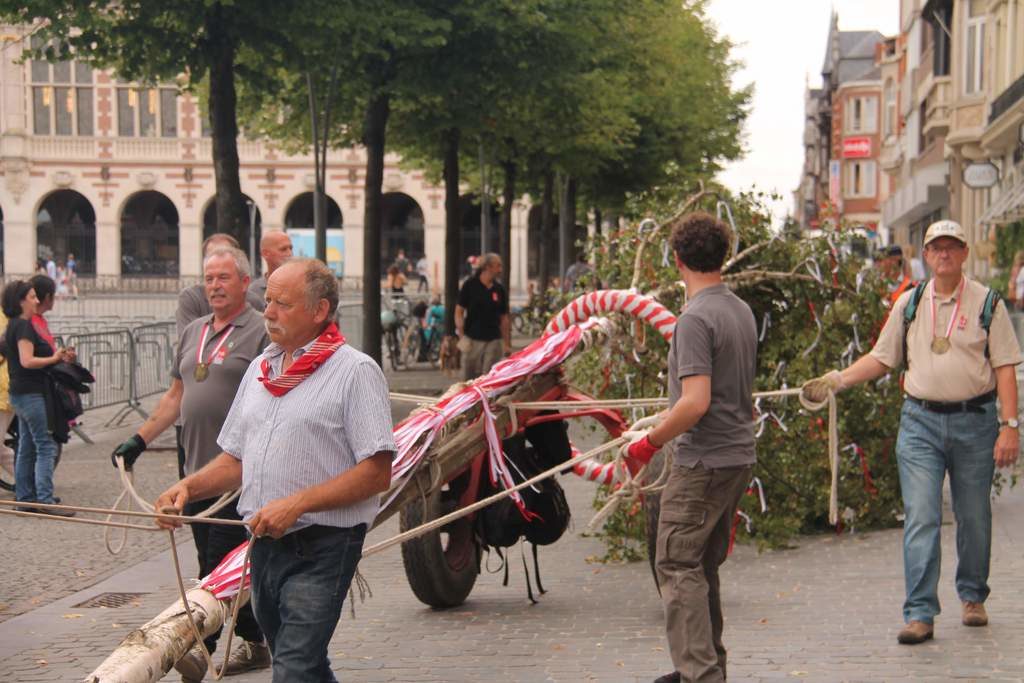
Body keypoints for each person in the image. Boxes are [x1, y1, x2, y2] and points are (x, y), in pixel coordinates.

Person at [154, 258, 395, 682]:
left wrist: (297, 504)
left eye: (282, 303)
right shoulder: (260, 370)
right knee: (303, 663)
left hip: (324, 545)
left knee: (295, 668)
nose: (267, 313)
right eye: (267, 301)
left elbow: (376, 473)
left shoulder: (356, 371)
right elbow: (236, 459)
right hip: (264, 543)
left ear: (319, 311)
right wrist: (187, 488)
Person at [802, 219, 1021, 645]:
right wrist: (838, 380)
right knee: (921, 516)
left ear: (964, 254)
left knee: (974, 515)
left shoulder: (987, 303)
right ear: (926, 254)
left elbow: (1006, 368)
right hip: (920, 421)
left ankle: (973, 597)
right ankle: (920, 612)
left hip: (975, 421)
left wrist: (1009, 427)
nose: (944, 255)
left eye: (951, 247)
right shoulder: (909, 303)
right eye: (936, 248)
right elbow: (882, 358)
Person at [112, 247, 271, 679]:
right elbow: (175, 397)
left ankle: (200, 648)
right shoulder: (193, 331)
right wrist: (138, 440)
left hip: (239, 475)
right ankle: (259, 643)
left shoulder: (261, 331)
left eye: (223, 277)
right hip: (196, 472)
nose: (215, 286)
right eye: (209, 278)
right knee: (220, 565)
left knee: (213, 568)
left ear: (244, 282)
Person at [622, 212, 757, 683]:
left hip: (703, 461)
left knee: (676, 563)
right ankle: (705, 665)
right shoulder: (739, 310)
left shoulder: (695, 319)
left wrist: (649, 442)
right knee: (700, 563)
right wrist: (668, 415)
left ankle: (701, 676)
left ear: (677, 260)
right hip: (737, 455)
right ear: (722, 257)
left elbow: (696, 403)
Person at [1, 280, 73, 517]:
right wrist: (54, 359)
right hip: (30, 392)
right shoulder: (23, 326)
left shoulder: (12, 325)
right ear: (21, 301)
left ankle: (25, 497)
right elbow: (27, 360)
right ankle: (44, 498)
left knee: (27, 447)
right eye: (32, 297)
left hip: (19, 393)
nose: (36, 300)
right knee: (44, 445)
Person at [455, 253, 511, 380]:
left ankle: (487, 399)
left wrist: (507, 343)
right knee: (468, 376)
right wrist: (461, 335)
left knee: (489, 377)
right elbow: (459, 311)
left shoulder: (499, 289)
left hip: (494, 339)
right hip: (473, 338)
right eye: (498, 266)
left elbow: (504, 318)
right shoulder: (469, 285)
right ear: (488, 267)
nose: (500, 269)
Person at [248, 231, 293, 310]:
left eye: (290, 248)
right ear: (265, 253)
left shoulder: (301, 287)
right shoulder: (253, 291)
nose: (290, 253)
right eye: (283, 249)